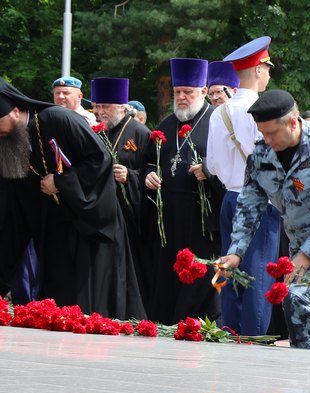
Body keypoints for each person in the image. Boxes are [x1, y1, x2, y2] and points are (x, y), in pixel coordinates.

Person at [217, 90, 310, 348]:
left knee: (298, 298)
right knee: (296, 304)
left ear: (293, 122)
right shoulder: (261, 154)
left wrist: (307, 254)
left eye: (272, 133)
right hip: (295, 242)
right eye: (262, 133)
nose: (267, 139)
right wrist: (236, 252)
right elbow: (249, 205)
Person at [0, 78, 145, 319]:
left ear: (16, 111)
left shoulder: (57, 118)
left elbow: (100, 160)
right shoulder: (9, 141)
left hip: (88, 225)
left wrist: (60, 182)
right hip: (54, 232)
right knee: (56, 307)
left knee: (87, 307)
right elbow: (14, 201)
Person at [206, 36, 281, 336]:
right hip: (260, 201)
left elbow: (211, 166)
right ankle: (254, 340)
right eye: (268, 68)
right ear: (259, 69)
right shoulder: (264, 109)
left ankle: (231, 331)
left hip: (229, 197)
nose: (269, 74)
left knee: (230, 269)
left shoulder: (219, 112)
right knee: (260, 274)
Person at [143, 58, 226, 325]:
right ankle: (168, 322)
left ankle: (200, 324)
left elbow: (234, 169)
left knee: (201, 274)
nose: (181, 98)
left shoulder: (217, 122)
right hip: (169, 218)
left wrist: (210, 174)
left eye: (187, 92)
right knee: (169, 275)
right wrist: (149, 176)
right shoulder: (165, 125)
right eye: (178, 92)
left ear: (203, 92)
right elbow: (148, 162)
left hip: (202, 219)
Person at [92, 77, 152, 307]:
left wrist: (131, 177)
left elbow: (151, 169)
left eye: (105, 106)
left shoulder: (140, 133)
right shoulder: (97, 132)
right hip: (104, 211)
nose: (99, 112)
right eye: (96, 106)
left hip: (130, 216)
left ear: (121, 106)